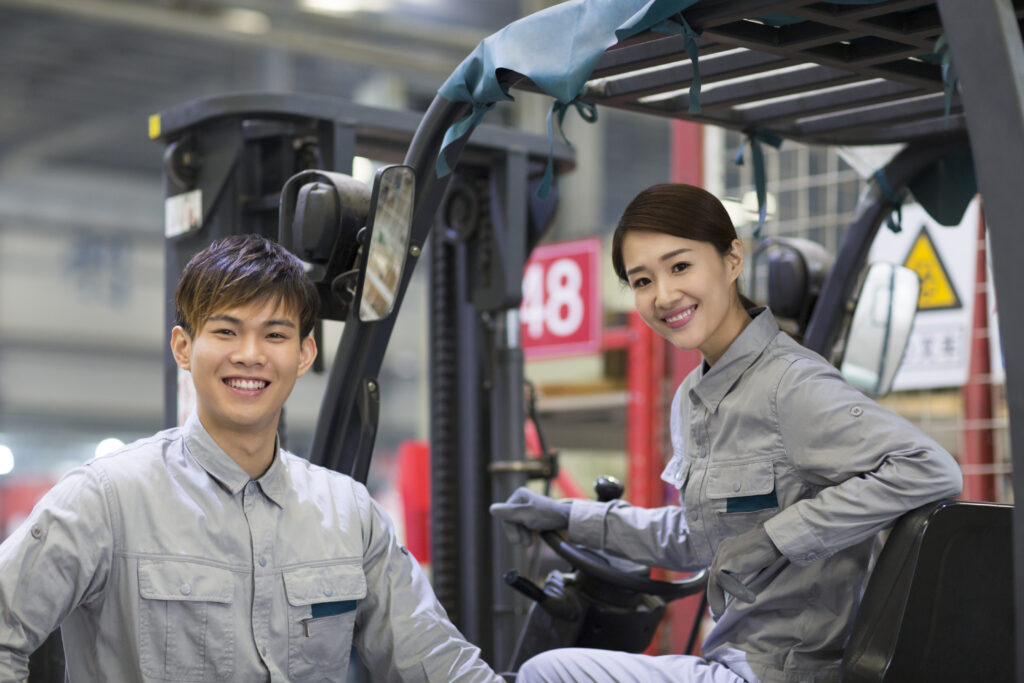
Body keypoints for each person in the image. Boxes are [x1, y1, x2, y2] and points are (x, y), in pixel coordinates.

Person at [491, 184, 963, 683]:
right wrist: (572, 518)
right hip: (731, 659)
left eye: (680, 267)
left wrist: (775, 540)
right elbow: (700, 535)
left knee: (547, 670)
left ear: (732, 259)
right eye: (643, 280)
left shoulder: (790, 384)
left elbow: (930, 469)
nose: (664, 296)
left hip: (787, 672)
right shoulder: (693, 398)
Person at [0, 234, 502, 683]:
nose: (250, 354)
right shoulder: (106, 500)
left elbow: (436, 661)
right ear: (183, 346)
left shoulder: (350, 514)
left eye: (275, 335)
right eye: (225, 331)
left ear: (304, 355)